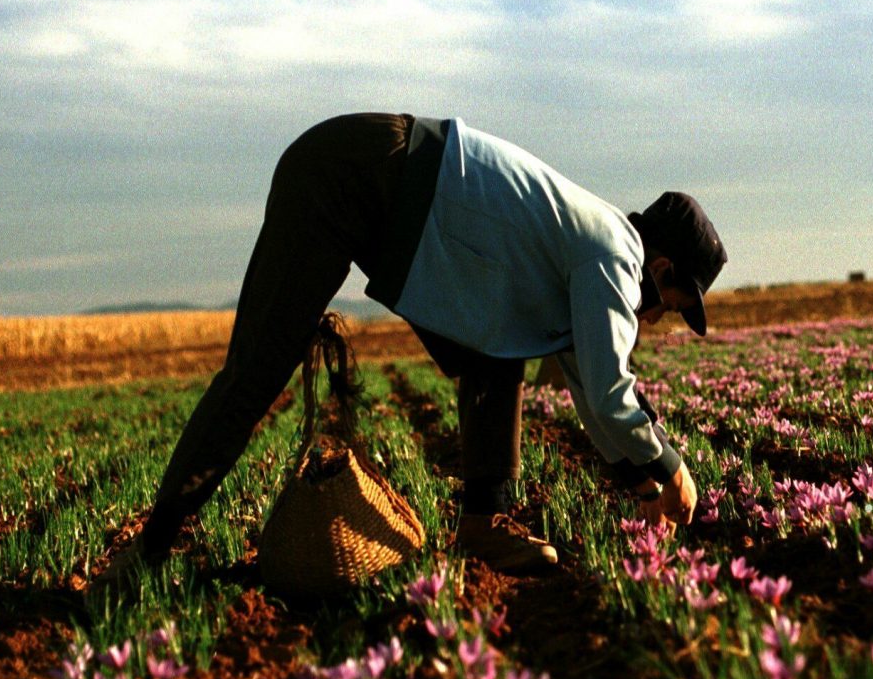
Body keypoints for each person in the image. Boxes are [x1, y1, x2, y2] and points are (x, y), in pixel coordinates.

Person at [92, 113, 726, 590]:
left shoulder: (595, 245)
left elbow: (588, 386)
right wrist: (669, 465)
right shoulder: (616, 253)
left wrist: (640, 479)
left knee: (500, 344)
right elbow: (610, 391)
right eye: (673, 299)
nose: (662, 313)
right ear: (662, 264)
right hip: (350, 173)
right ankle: (148, 547)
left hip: (388, 185)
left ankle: (483, 522)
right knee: (257, 372)